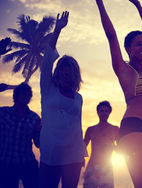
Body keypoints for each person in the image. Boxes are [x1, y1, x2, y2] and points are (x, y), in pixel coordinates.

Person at [95, 0, 142, 187]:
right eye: (139, 44)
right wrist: (99, 3)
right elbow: (111, 36)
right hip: (134, 128)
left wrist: (138, 5)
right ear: (128, 49)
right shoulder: (123, 70)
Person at [39, 11, 87, 188]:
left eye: (71, 71)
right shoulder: (48, 89)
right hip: (49, 155)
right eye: (64, 71)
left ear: (75, 74)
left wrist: (82, 154)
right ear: (58, 72)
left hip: (73, 156)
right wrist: (57, 30)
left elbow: (78, 126)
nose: (67, 74)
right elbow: (47, 62)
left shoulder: (79, 98)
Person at [0, 83, 41, 188]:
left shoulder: (34, 118)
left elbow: (38, 144)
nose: (27, 96)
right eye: (23, 93)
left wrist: (39, 131)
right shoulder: (4, 112)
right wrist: (7, 87)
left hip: (27, 163)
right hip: (6, 163)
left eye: (29, 94)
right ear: (16, 96)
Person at [83, 101, 119, 188]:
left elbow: (120, 148)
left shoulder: (115, 129)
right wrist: (81, 160)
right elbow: (83, 147)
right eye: (102, 111)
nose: (104, 113)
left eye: (106, 111)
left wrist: (112, 145)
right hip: (92, 165)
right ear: (98, 112)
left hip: (107, 167)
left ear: (109, 113)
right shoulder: (91, 129)